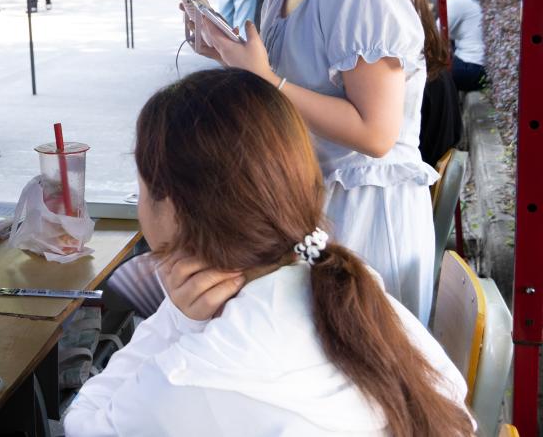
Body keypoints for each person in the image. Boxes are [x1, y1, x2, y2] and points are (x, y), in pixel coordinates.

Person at [63, 70, 472, 436]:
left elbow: (82, 423)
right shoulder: (355, 290)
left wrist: (176, 322)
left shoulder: (190, 377)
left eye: (140, 186)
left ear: (171, 207)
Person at [198, 0, 447, 325]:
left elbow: (376, 132)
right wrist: (232, 58)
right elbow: (285, 87)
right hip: (320, 217)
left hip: (367, 225)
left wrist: (265, 79)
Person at [445, 0, 487, 91]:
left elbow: (434, 34)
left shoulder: (455, 2)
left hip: (469, 68)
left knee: (431, 74)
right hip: (481, 68)